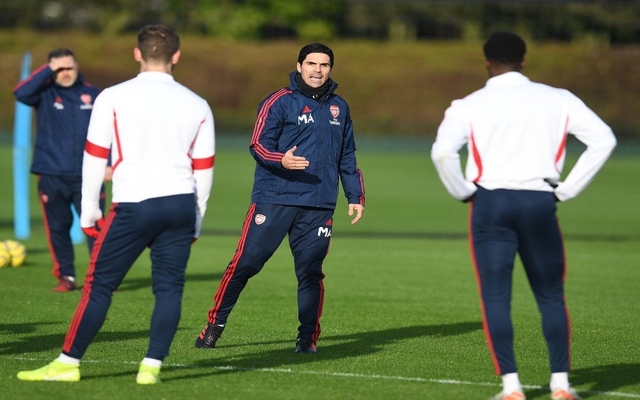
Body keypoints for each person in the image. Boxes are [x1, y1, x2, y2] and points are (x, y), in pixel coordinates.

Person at [16, 24, 215, 385]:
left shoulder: (112, 96)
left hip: (135, 204)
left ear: (137, 54)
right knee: (169, 288)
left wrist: (90, 209)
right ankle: (151, 368)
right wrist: (197, 219)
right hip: (181, 205)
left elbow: (94, 157)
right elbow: (204, 169)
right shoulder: (198, 103)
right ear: (177, 56)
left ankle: (67, 363)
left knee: (98, 286)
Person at [431, 31, 616, 400]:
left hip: (491, 204)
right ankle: (561, 385)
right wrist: (565, 189)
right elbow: (604, 139)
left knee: (496, 297)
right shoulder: (558, 99)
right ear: (524, 60)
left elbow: (441, 154)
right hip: (539, 202)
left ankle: (512, 387)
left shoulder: (468, 104)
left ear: (486, 61)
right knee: (551, 295)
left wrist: (464, 192)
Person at [195, 42, 365, 354]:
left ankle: (306, 339)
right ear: (300, 66)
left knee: (311, 272)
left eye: (324, 65)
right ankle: (215, 324)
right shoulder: (279, 101)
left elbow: (347, 155)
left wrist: (355, 195)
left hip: (318, 204)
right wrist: (281, 160)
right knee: (245, 263)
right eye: (311, 64)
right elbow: (258, 144)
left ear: (330, 69)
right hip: (275, 197)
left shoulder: (339, 107)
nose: (318, 70)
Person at [13, 48, 111, 292]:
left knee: (96, 226)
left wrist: (109, 163)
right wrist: (48, 70)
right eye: (60, 69)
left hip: (89, 175)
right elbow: (21, 92)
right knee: (58, 227)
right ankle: (67, 276)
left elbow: (111, 131)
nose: (65, 73)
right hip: (51, 173)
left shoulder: (94, 94)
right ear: (51, 70)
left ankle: (100, 278)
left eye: (69, 67)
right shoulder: (44, 93)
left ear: (77, 67)